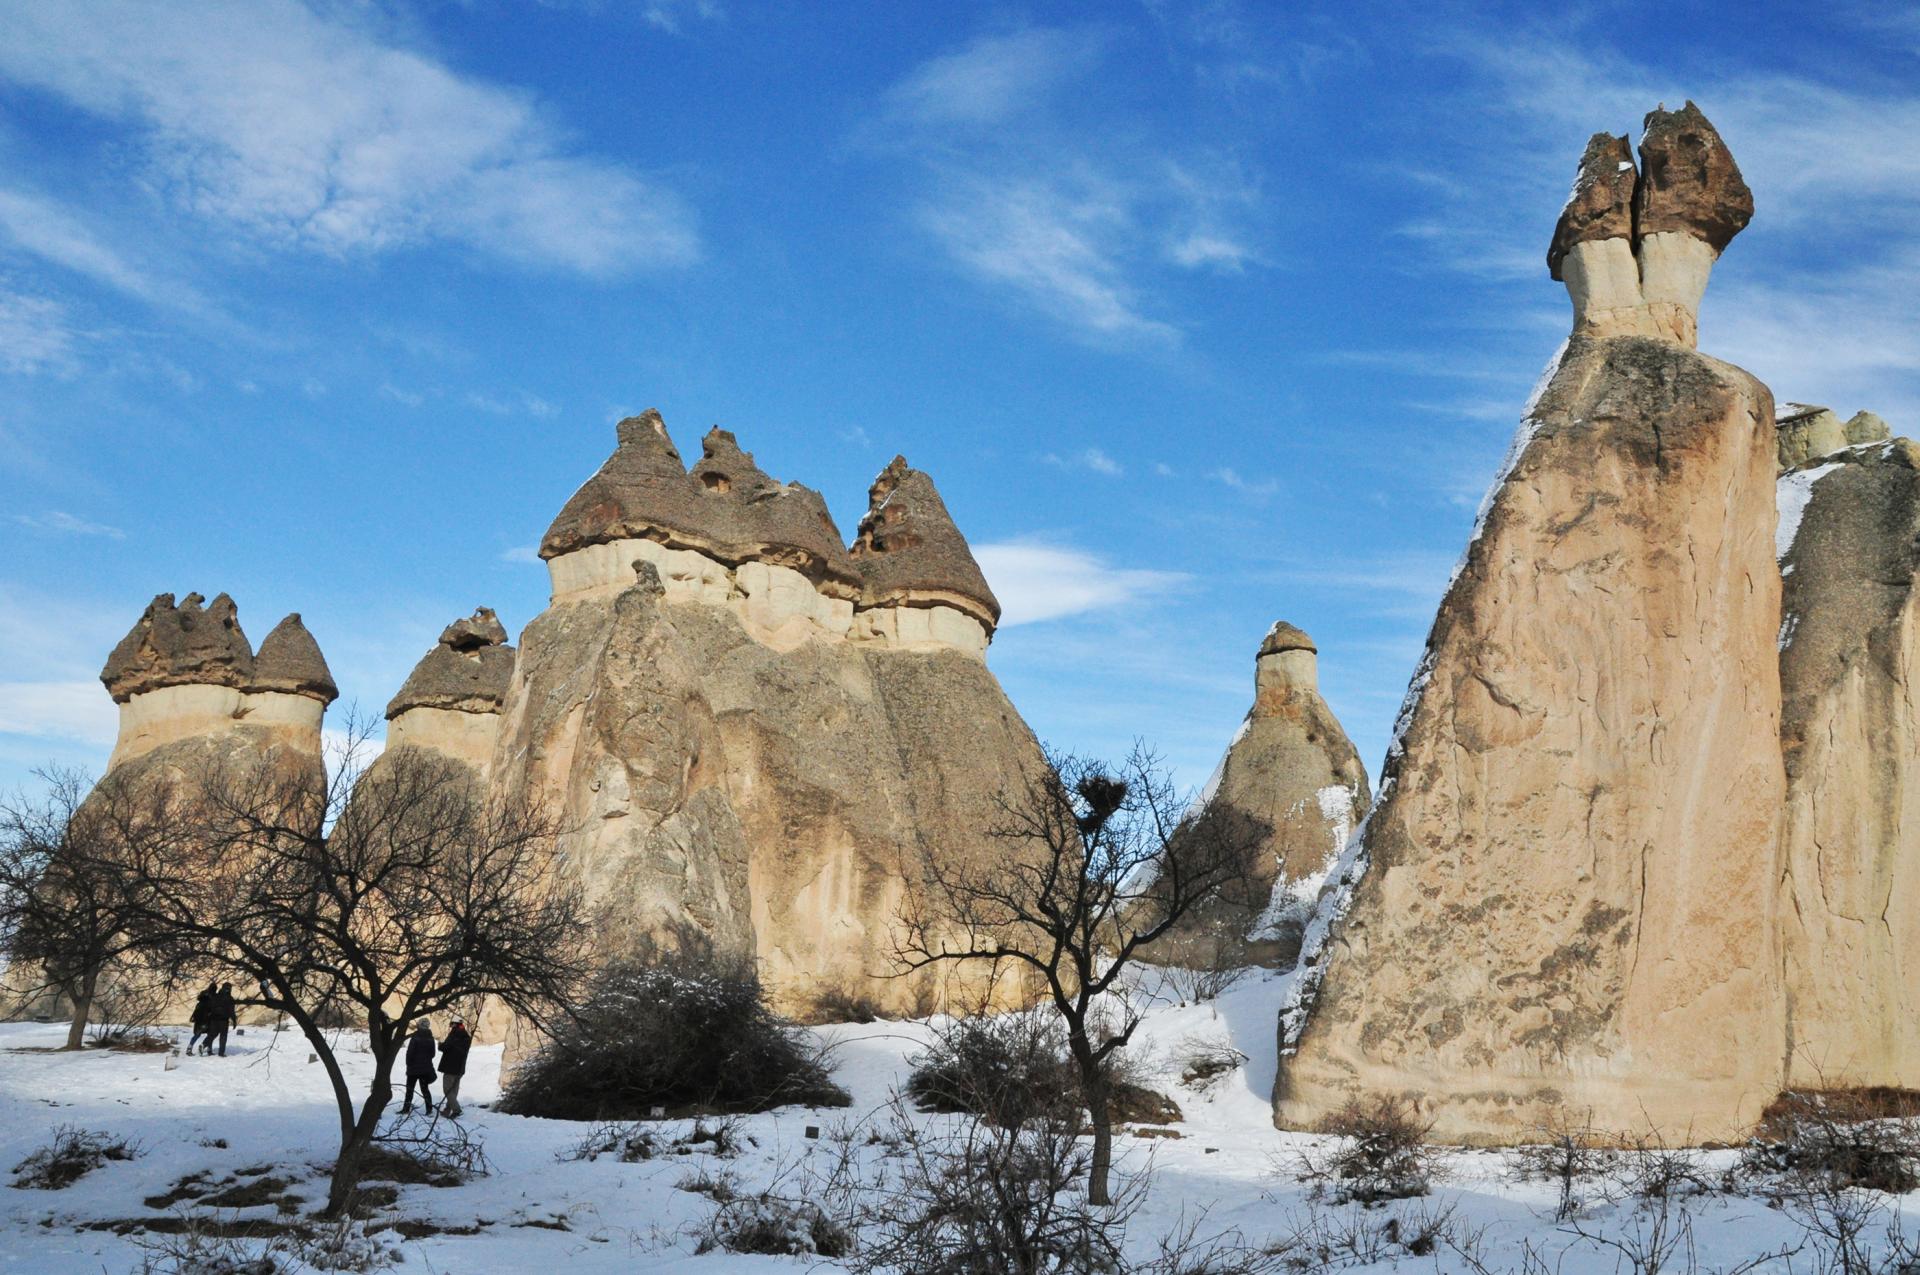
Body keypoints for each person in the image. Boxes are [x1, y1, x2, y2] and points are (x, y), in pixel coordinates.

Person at [437, 1018, 472, 1118]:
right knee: (453, 1090)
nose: (450, 1026)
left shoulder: (454, 1034)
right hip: (460, 1068)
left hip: (450, 1067)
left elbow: (445, 1047)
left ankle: (456, 1110)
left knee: (447, 1089)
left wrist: (440, 1045)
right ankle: (448, 1109)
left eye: (451, 1024)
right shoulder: (466, 1036)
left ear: (455, 1024)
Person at [401, 1022, 437, 1115]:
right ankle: (429, 1110)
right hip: (425, 1069)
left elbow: (410, 1052)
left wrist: (408, 1064)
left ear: (419, 1026)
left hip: (413, 1068)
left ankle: (406, 1109)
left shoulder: (415, 1036)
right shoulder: (431, 1038)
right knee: (425, 1090)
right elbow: (433, 1054)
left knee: (410, 1089)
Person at [186, 982, 216, 1055]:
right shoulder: (211, 1001)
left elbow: (195, 1012)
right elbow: (211, 1011)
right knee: (210, 1035)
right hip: (207, 1020)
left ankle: (189, 1048)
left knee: (197, 1035)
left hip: (199, 1021)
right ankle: (209, 1050)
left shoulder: (200, 1003)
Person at [209, 982, 238, 1056]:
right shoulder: (230, 998)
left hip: (214, 1019)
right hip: (223, 1020)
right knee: (223, 1036)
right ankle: (221, 1053)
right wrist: (234, 1021)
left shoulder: (216, 996)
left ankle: (206, 1046)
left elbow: (211, 1007)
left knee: (212, 1034)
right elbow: (231, 1011)